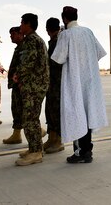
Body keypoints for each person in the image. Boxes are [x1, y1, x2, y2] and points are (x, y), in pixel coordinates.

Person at [52, 6, 108, 164]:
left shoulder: (66, 34)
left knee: (77, 114)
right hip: (89, 80)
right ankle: (87, 150)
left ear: (64, 18)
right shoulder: (88, 32)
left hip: (74, 80)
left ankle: (81, 152)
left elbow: (58, 58)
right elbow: (99, 53)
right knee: (88, 113)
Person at [15, 13, 50, 166]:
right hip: (34, 85)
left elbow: (28, 63)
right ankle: (34, 148)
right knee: (30, 117)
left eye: (22, 23)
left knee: (30, 118)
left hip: (34, 86)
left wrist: (18, 75)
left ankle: (36, 152)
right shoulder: (34, 39)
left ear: (28, 24)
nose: (20, 26)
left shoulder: (31, 40)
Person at [43, 17, 64, 154]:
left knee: (56, 112)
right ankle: (52, 138)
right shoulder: (54, 41)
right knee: (50, 111)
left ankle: (58, 141)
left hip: (57, 83)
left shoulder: (59, 42)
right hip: (51, 83)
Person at [2, 26, 25, 145]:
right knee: (16, 109)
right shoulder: (19, 48)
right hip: (16, 85)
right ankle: (16, 134)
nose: (11, 36)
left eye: (13, 34)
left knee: (23, 110)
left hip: (21, 85)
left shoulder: (25, 48)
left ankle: (38, 132)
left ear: (20, 34)